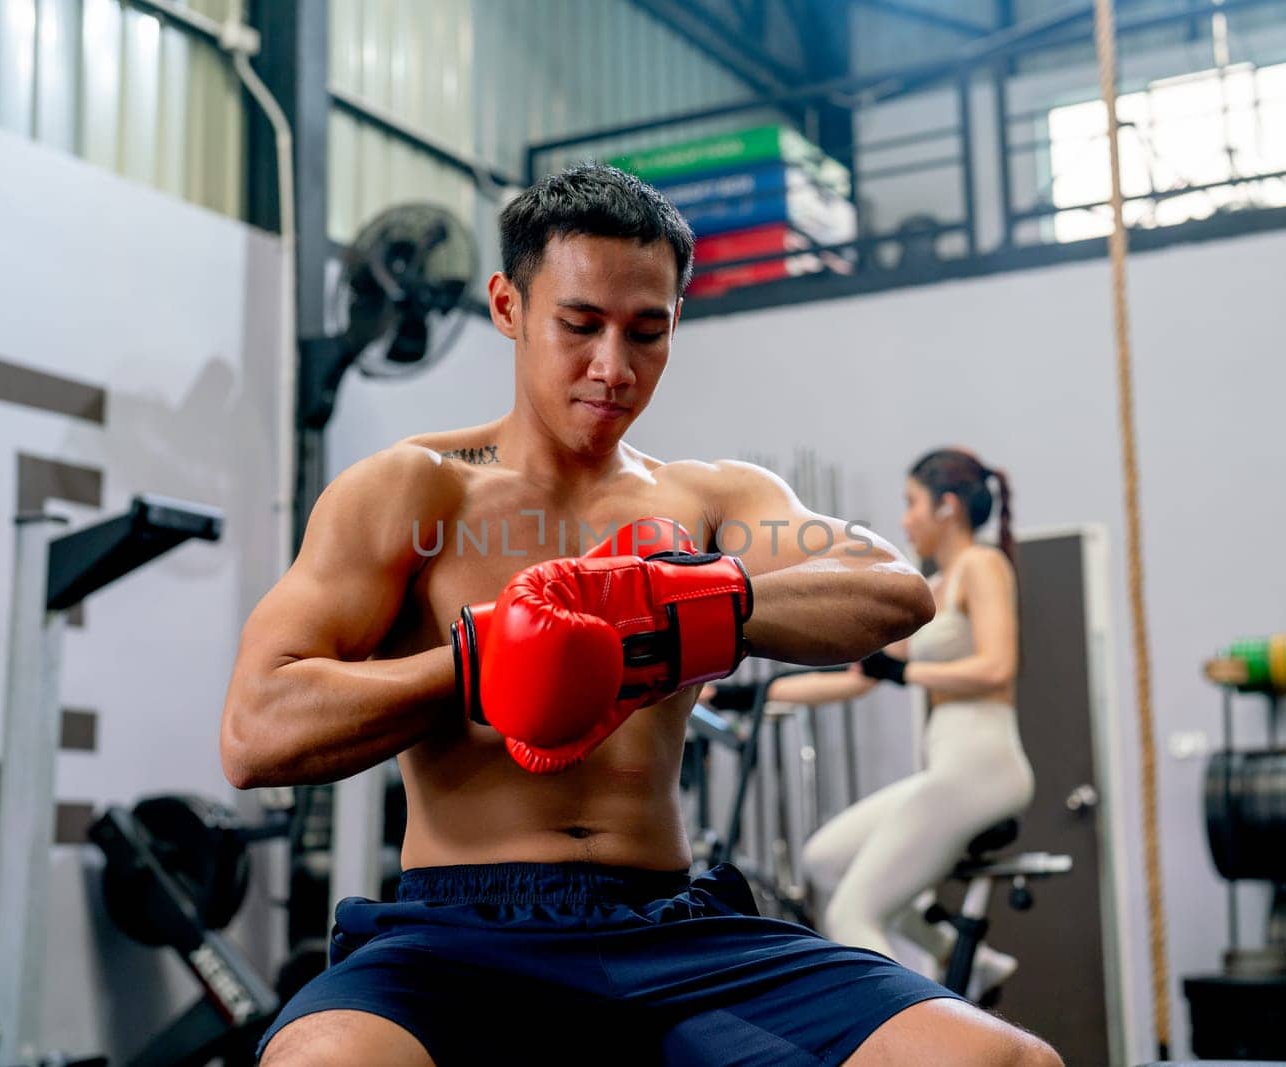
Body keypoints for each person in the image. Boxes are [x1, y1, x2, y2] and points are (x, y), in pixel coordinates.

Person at [221, 164, 1061, 1067]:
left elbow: (894, 588)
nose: (612, 368)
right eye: (579, 325)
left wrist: (681, 606)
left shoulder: (710, 495)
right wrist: (485, 656)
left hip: (672, 933)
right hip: (456, 938)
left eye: (647, 331)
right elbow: (255, 731)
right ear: (507, 305)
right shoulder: (412, 490)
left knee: (1001, 1061)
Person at [706, 449, 1033, 1001]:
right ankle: (964, 959)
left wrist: (906, 671)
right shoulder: (929, 586)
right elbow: (860, 677)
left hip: (985, 768)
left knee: (853, 915)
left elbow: (998, 667)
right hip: (949, 769)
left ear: (947, 508)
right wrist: (747, 693)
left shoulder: (981, 565)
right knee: (823, 861)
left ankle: (925, 1045)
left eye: (912, 504)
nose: (905, 520)